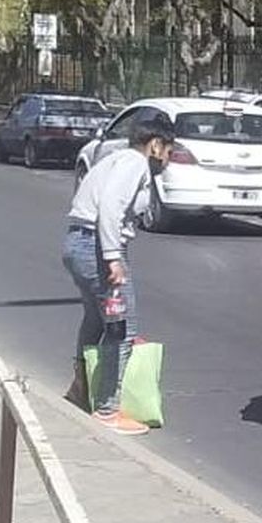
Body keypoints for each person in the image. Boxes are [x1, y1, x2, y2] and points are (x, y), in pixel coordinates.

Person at [62, 114, 175, 436]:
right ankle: (108, 409)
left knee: (97, 321)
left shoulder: (115, 159)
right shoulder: (134, 163)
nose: (167, 159)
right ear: (155, 145)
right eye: (168, 150)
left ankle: (81, 388)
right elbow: (111, 207)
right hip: (97, 248)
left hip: (79, 243)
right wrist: (112, 258)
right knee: (122, 328)